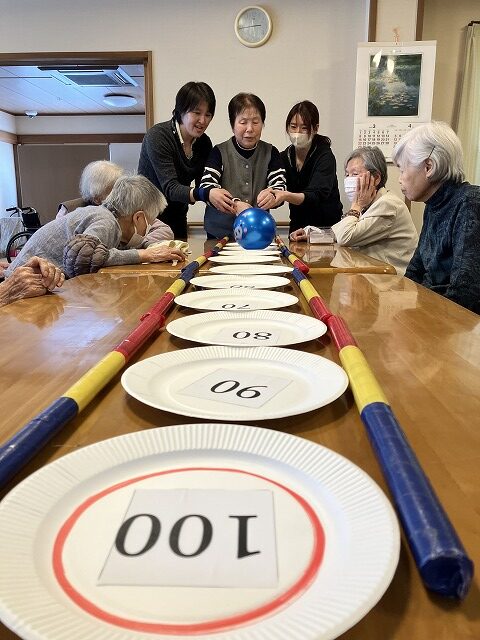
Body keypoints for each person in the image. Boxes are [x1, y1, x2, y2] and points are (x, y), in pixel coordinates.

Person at [4, 175, 187, 279]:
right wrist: (145, 255)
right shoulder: (105, 220)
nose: (149, 226)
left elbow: (103, 253)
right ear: (138, 217)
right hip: (22, 283)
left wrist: (149, 249)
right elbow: (83, 260)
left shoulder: (106, 217)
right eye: (150, 220)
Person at [392, 121, 480, 313]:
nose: (400, 179)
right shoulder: (433, 205)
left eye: (402, 169)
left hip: (455, 321)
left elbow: (465, 294)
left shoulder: (469, 203)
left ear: (429, 167)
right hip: (432, 310)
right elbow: (415, 270)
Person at [290, 146, 419, 275]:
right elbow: (339, 233)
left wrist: (356, 205)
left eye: (355, 174)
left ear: (376, 178)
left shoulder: (387, 204)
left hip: (392, 281)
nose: (349, 179)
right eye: (347, 174)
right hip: (371, 276)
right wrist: (312, 235)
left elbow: (345, 237)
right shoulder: (369, 203)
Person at [197, 92, 286, 239]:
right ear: (232, 125)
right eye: (243, 122)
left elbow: (280, 186)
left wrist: (272, 195)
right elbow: (207, 186)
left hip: (257, 234)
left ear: (262, 124)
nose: (249, 129)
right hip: (219, 234)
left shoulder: (271, 152)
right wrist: (235, 204)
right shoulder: (219, 152)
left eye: (255, 122)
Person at [138, 81, 216, 240]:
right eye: (197, 113)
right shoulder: (158, 136)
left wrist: (227, 199)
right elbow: (171, 188)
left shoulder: (204, 143)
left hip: (179, 216)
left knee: (181, 255)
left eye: (208, 115)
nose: (203, 121)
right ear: (181, 111)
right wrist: (207, 193)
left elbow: (204, 183)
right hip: (149, 220)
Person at [57, 160, 174, 244]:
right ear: (96, 198)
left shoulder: (125, 209)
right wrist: (136, 253)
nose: (121, 193)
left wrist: (137, 244)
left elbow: (164, 230)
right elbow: (84, 255)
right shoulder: (99, 216)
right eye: (114, 190)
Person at [272, 100, 342, 235]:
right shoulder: (284, 157)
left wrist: (285, 195)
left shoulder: (325, 156)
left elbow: (316, 195)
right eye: (293, 127)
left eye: (304, 128)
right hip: (297, 228)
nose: (297, 133)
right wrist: (272, 195)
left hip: (325, 230)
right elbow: (278, 188)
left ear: (315, 128)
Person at [56, 160, 124, 217]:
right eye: (113, 191)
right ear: (97, 198)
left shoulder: (121, 208)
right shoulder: (68, 210)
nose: (119, 195)